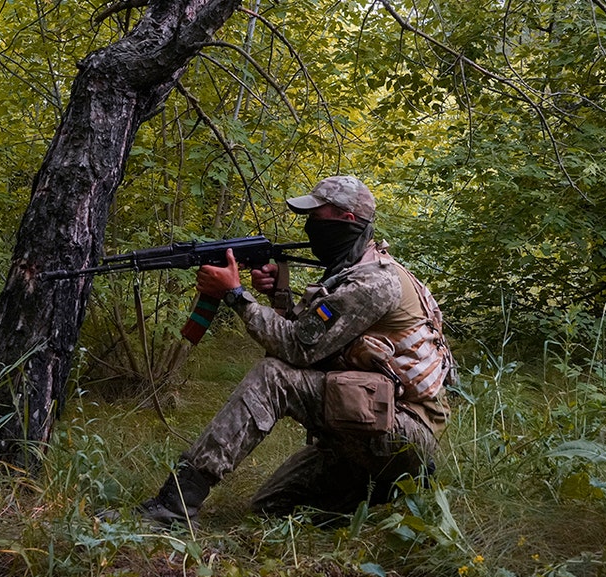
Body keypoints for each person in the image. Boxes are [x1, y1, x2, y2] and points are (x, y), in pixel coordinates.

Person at [138, 175, 453, 526]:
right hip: (370, 427)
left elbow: (295, 350)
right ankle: (376, 490)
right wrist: (279, 293)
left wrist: (236, 295)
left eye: (317, 217)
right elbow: (312, 338)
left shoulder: (374, 282)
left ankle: (174, 506)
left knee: (273, 377)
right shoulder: (354, 271)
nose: (308, 226)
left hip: (403, 438)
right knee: (269, 510)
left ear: (346, 220)